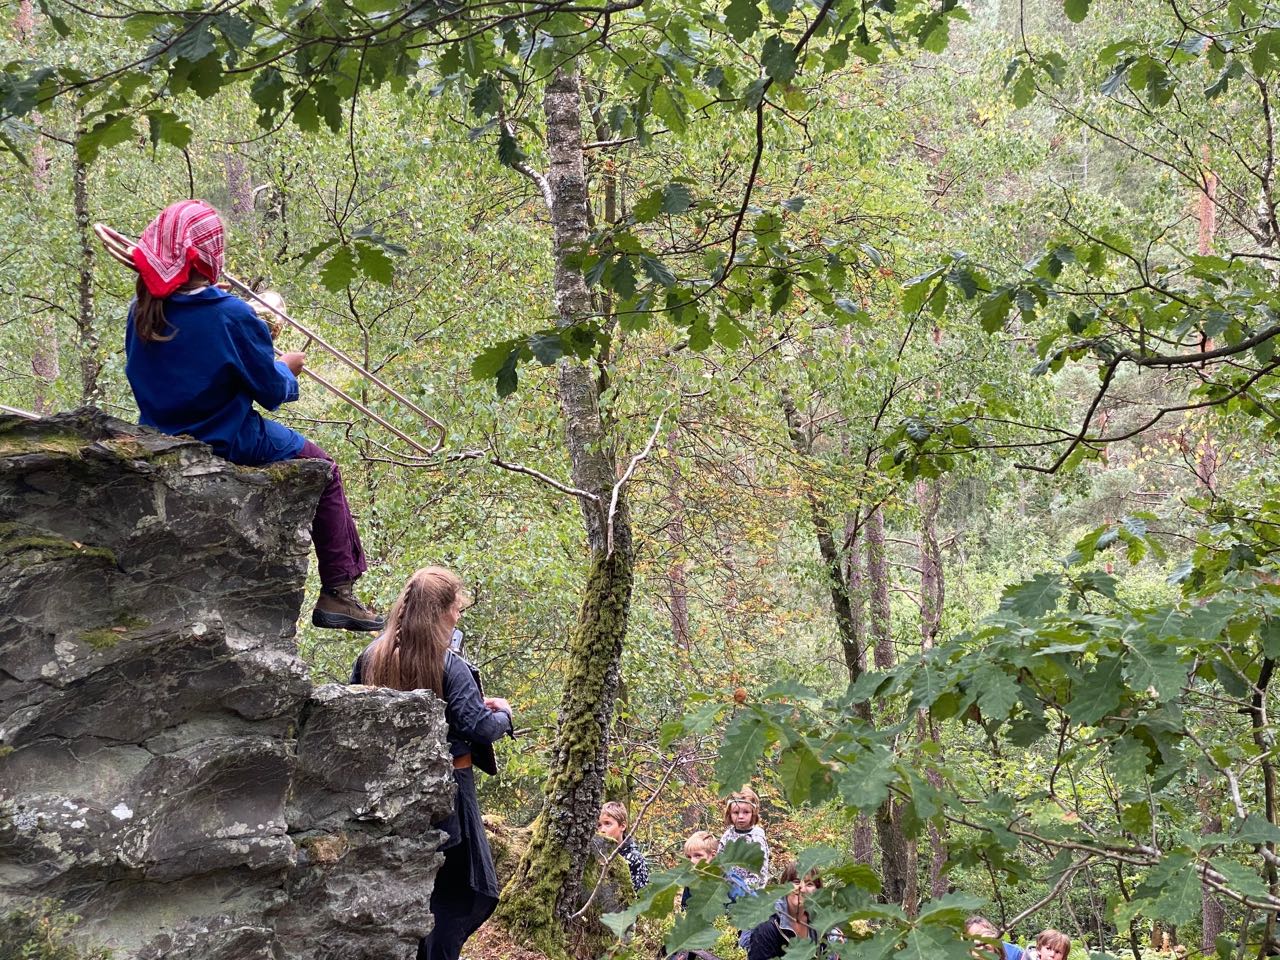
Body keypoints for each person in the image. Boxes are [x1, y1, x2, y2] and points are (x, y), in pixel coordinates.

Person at [123, 199, 381, 632]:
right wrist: (288, 367)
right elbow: (272, 392)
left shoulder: (143, 309)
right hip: (227, 436)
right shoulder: (232, 315)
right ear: (210, 256)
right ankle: (338, 592)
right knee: (324, 468)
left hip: (159, 434)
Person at [349, 566, 514, 960]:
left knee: (409, 891)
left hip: (386, 799)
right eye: (455, 608)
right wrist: (504, 715)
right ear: (439, 611)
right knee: (459, 894)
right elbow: (477, 727)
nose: (458, 615)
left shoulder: (371, 657)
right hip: (451, 795)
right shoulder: (448, 664)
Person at [743, 861, 841, 960]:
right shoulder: (767, 926)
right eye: (796, 882)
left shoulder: (820, 924)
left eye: (809, 884)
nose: (802, 889)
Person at [717, 786, 770, 892]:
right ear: (730, 814)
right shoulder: (728, 835)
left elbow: (760, 869)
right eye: (736, 812)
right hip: (727, 887)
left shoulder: (756, 838)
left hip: (750, 891)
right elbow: (720, 859)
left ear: (753, 813)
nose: (741, 816)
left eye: (746, 812)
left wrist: (744, 886)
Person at [598, 801, 650, 890]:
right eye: (599, 825)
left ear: (622, 826)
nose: (602, 830)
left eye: (607, 824)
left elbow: (641, 894)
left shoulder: (635, 858)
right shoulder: (596, 853)